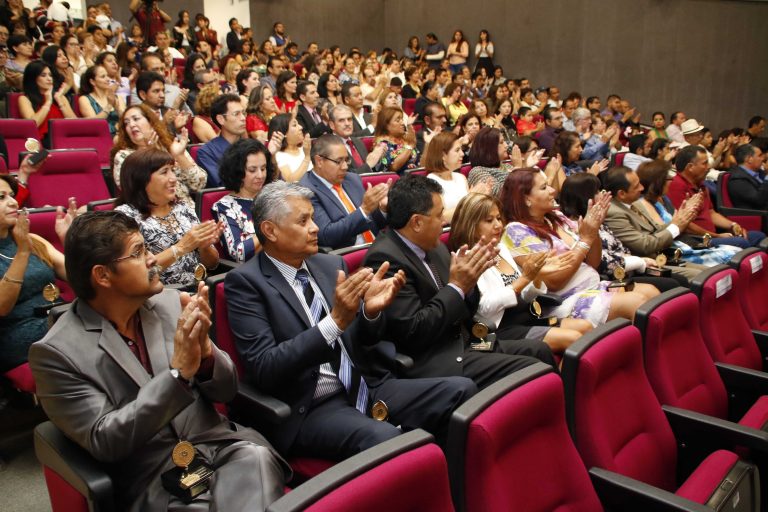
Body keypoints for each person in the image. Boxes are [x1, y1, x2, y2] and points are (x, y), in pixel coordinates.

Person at [29, 210, 287, 511]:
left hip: (221, 448)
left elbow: (226, 392)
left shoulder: (170, 302)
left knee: (255, 457)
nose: (153, 259)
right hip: (153, 478)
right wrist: (176, 376)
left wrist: (206, 357)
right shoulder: (55, 352)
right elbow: (106, 440)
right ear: (102, 275)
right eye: (138, 253)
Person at [225, 181, 476, 457]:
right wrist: (333, 323)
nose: (315, 227)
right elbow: (265, 367)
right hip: (314, 404)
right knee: (388, 439)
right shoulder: (247, 283)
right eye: (303, 221)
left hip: (369, 384)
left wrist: (370, 312)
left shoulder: (330, 265)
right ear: (270, 230)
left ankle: (451, 486)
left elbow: (365, 341)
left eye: (312, 217)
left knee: (462, 391)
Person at [362, 175, 554, 384]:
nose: (444, 221)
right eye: (439, 215)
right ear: (417, 222)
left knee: (540, 350)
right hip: (437, 358)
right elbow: (414, 332)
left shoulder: (434, 246)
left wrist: (469, 286)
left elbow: (466, 307)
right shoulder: (386, 259)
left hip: (467, 341)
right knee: (533, 369)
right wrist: (457, 287)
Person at [501, 167, 654, 325]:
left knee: (651, 293)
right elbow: (554, 281)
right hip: (562, 301)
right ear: (526, 199)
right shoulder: (515, 231)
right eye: (544, 187)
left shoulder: (557, 217)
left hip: (592, 285)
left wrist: (593, 232)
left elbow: (593, 263)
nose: (553, 190)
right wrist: (585, 241)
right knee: (637, 303)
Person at [449, 193, 592, 352]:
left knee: (585, 327)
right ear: (471, 225)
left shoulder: (501, 248)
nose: (498, 225)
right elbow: (483, 310)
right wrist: (525, 278)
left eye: (498, 218)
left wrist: (535, 276)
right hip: (501, 328)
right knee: (573, 339)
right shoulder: (469, 261)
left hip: (526, 316)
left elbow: (526, 295)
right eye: (489, 221)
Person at [115, 148, 222, 287]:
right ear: (141, 179)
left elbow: (212, 264)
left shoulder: (182, 207)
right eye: (165, 172)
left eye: (172, 170)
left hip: (200, 289)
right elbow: (136, 274)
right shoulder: (125, 216)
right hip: (160, 298)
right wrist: (180, 248)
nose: (174, 178)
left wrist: (204, 246)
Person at [560, 173, 683, 290]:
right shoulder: (577, 227)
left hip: (633, 268)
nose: (603, 195)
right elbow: (606, 265)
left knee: (679, 280)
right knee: (673, 284)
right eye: (597, 192)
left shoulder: (597, 220)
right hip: (615, 278)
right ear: (585, 198)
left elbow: (621, 249)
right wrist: (640, 262)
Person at [0, 174, 70, 372]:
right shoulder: (25, 243)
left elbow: (79, 276)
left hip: (56, 317)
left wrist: (69, 241)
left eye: (12, 195)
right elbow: (2, 307)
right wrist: (22, 252)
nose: (14, 202)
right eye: (1, 197)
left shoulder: (32, 239)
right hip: (16, 335)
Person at [634, 160, 740, 267]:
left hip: (686, 243)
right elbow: (664, 233)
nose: (672, 181)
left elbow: (682, 225)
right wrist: (685, 214)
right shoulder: (643, 204)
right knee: (731, 255)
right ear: (658, 182)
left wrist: (689, 214)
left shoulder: (664, 199)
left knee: (737, 252)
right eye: (668, 178)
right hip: (673, 251)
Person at [300, 135, 389, 249]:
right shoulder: (307, 190)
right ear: (319, 161)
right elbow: (326, 236)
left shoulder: (352, 179)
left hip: (377, 246)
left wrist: (382, 209)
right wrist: (364, 209)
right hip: (349, 256)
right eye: (338, 161)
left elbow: (372, 223)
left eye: (346, 160)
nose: (345, 166)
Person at [668, 146, 766, 248]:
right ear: (690, 167)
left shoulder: (701, 184)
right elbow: (685, 225)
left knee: (758, 236)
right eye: (704, 163)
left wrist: (732, 225)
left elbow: (711, 212)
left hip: (713, 236)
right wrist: (717, 236)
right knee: (741, 243)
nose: (709, 167)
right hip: (696, 240)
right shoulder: (676, 185)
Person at [112, 104, 206, 208]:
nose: (131, 125)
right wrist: (149, 153)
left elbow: (199, 183)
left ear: (151, 123)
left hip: (185, 209)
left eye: (136, 119)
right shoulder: (123, 156)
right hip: (149, 213)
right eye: (126, 123)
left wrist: (180, 156)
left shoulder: (170, 146)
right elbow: (134, 191)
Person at [212, 140, 275, 262]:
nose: (260, 175)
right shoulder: (224, 207)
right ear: (237, 172)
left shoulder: (273, 197)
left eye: (263, 168)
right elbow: (238, 253)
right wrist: (274, 229)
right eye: (252, 170)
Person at [18, 60, 76, 145]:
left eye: (50, 75)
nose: (49, 79)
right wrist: (48, 102)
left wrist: (59, 101)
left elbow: (75, 124)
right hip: (41, 142)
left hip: (65, 139)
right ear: (33, 78)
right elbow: (33, 125)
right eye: (43, 75)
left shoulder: (60, 97)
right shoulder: (24, 99)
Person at [197, 94, 247, 187]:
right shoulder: (207, 152)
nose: (243, 118)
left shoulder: (251, 146)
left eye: (243, 113)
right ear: (221, 120)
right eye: (236, 114)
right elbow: (221, 185)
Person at [328, 104, 385, 175]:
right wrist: (368, 165)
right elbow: (344, 176)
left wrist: (377, 157)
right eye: (341, 120)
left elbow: (371, 169)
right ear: (332, 125)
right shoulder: (329, 147)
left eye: (349, 119)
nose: (347, 123)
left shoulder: (358, 141)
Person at [467, 127, 521, 196]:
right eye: (501, 142)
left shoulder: (507, 166)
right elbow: (499, 195)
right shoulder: (477, 171)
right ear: (489, 147)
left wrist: (525, 167)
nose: (506, 145)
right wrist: (517, 169)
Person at [78, 64, 125, 137]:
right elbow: (94, 124)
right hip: (100, 137)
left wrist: (117, 109)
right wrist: (109, 106)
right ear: (92, 82)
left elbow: (126, 120)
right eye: (103, 77)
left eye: (107, 75)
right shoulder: (84, 99)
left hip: (120, 135)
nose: (108, 79)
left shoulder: (118, 97)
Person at [373, 106, 420, 174]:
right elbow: (393, 167)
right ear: (386, 125)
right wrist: (410, 145)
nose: (402, 123)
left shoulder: (405, 139)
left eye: (402, 119)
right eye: (398, 120)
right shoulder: (382, 145)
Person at [269, 113, 313, 182]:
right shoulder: (278, 156)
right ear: (284, 133)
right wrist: (307, 157)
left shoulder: (304, 149)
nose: (301, 127)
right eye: (294, 125)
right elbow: (290, 181)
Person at [727, 143, 768, 210]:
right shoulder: (738, 179)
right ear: (749, 159)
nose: (763, 158)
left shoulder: (759, 172)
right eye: (759, 156)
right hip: (758, 215)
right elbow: (759, 200)